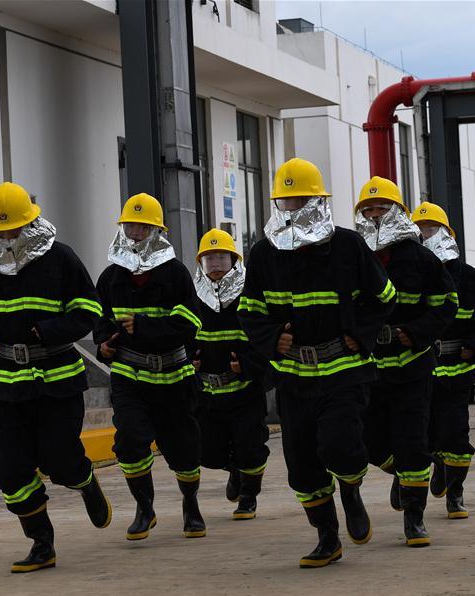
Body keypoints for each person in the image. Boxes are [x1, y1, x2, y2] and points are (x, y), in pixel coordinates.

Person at [237, 158, 396, 568]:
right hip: (294, 377)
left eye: (301, 200)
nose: (293, 209)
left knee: (339, 445)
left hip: (342, 369)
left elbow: (384, 298)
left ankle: (352, 491)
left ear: (318, 200)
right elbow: (250, 311)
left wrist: (358, 334)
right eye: (286, 202)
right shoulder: (262, 254)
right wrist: (274, 339)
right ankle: (328, 537)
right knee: (302, 466)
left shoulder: (347, 245)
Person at [0, 182, 111, 573]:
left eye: (13, 230)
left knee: (59, 458)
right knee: (10, 471)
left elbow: (87, 309)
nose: (7, 237)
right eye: (0, 231)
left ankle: (83, 481)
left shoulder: (61, 259)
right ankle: (42, 544)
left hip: (57, 379)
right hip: (7, 382)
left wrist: (48, 331)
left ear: (30, 223)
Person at [94, 193, 206, 541]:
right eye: (130, 225)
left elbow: (189, 325)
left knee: (182, 448)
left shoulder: (176, 274)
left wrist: (143, 328)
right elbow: (99, 321)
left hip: (173, 375)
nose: (135, 231)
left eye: (143, 226)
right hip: (129, 375)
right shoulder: (110, 277)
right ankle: (144, 508)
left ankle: (191, 504)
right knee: (129, 440)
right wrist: (104, 344)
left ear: (158, 231)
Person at [353, 177, 458, 548]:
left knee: (412, 440)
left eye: (382, 207)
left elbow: (446, 306)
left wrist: (412, 333)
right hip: (367, 369)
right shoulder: (352, 258)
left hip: (413, 366)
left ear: (397, 212)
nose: (375, 214)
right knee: (369, 441)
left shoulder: (422, 259)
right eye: (368, 208)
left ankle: (414, 517)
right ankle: (404, 473)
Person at [411, 201, 475, 519]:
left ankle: (455, 493)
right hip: (418, 371)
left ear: (447, 234)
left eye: (431, 230)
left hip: (457, 370)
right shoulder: (406, 277)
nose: (425, 236)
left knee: (456, 435)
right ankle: (424, 472)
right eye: (418, 231)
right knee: (419, 435)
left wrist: (472, 348)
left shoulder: (470, 280)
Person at [191, 228, 270, 520]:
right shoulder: (194, 297)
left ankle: (248, 495)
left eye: (222, 257)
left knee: (250, 445)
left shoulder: (249, 293)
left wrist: (248, 367)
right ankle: (234, 469)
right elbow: (185, 334)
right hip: (208, 392)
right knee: (207, 450)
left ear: (234, 260)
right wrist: (191, 361)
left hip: (244, 389)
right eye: (209, 258)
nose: (215, 263)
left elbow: (263, 336)